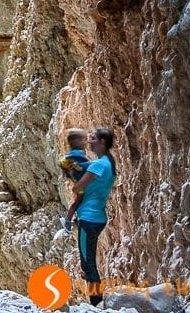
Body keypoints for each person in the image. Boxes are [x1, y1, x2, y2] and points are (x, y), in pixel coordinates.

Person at [72, 126, 117, 307]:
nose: (89, 142)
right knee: (89, 262)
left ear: (102, 142)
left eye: (92, 139)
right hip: (98, 217)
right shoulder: (109, 163)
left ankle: (96, 303)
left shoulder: (99, 165)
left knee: (88, 264)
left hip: (88, 218)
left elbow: (77, 187)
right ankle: (96, 302)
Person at [58, 128, 89, 232]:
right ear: (75, 141)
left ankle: (72, 219)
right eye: (81, 139)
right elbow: (84, 165)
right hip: (80, 181)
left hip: (78, 181)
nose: (84, 142)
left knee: (80, 200)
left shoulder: (73, 153)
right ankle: (72, 219)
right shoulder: (76, 153)